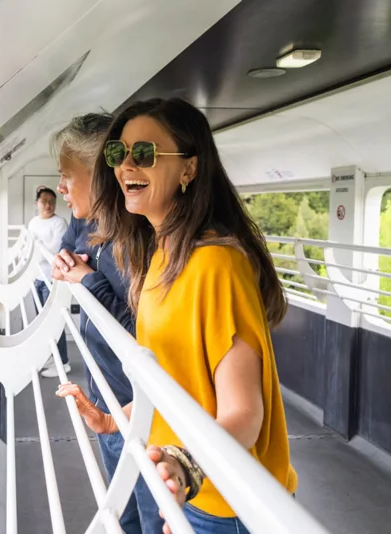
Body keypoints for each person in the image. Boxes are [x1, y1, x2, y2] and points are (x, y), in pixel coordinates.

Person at [58, 97, 296, 534]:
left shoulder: (216, 264)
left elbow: (245, 413)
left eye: (144, 153)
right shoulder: (161, 255)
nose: (126, 165)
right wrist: (112, 418)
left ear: (188, 168)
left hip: (226, 502)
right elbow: (174, 382)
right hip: (191, 490)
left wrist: (185, 468)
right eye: (118, 153)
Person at [49, 113, 160, 534]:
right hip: (110, 399)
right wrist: (70, 265)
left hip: (140, 410)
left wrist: (89, 280)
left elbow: (145, 333)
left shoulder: (135, 244)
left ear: (100, 177)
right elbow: (73, 253)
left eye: (66, 177)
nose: (60, 188)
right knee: (123, 516)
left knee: (149, 519)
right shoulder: (96, 228)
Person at [27, 185, 70, 376]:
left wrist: (38, 249)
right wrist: (38, 251)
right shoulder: (33, 222)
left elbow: (55, 250)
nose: (48, 205)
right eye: (44, 201)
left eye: (52, 202)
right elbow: (31, 248)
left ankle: (64, 362)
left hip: (52, 279)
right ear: (37, 203)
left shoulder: (59, 223)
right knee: (42, 322)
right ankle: (52, 357)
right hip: (37, 277)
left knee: (53, 322)